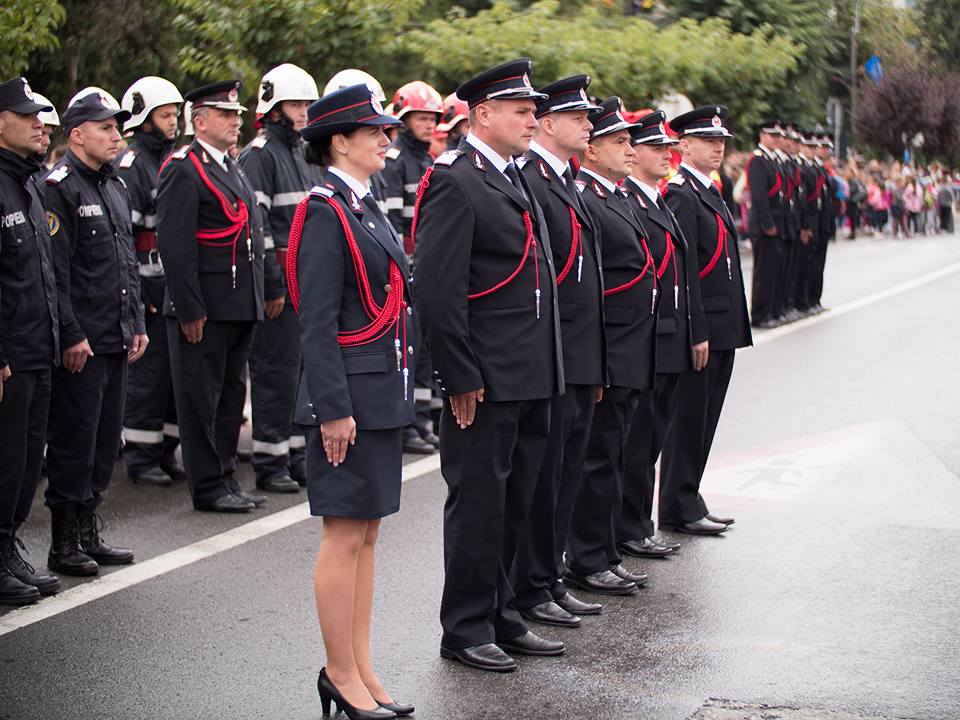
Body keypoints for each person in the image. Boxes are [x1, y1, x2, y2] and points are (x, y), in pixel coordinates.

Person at [414, 58, 565, 673]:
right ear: (482, 115)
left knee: (515, 502)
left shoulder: (512, 175)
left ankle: (503, 614)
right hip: (485, 378)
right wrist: (459, 375)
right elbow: (437, 290)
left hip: (529, 371)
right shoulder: (456, 179)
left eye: (534, 111)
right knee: (478, 506)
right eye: (522, 111)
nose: (533, 120)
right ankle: (465, 626)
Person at [288, 84, 415, 720]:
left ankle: (360, 665)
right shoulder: (325, 211)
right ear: (339, 142)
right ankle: (339, 671)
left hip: (378, 388)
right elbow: (315, 320)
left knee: (367, 533)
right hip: (349, 398)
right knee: (343, 534)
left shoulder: (362, 204)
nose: (387, 141)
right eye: (374, 132)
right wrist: (332, 408)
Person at [511, 75, 605, 628]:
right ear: (547, 124)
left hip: (577, 351)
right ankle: (532, 584)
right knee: (543, 478)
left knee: (566, 473)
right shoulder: (532, 179)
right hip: (554, 351)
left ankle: (549, 577)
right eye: (578, 118)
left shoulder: (563, 179)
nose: (589, 126)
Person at [42, 87, 147, 575]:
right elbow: (56, 273)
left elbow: (127, 262)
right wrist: (69, 333)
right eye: (105, 128)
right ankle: (63, 541)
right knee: (75, 443)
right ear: (77, 134)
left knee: (105, 444)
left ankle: (88, 530)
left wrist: (137, 323)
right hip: (82, 343)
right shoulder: (60, 187)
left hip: (115, 336)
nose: (115, 136)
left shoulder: (114, 185)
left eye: (117, 127)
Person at [156, 80, 266, 513]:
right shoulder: (183, 168)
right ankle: (207, 486)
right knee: (200, 399)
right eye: (225, 114)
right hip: (204, 306)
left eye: (237, 114)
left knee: (230, 398)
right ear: (199, 122)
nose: (235, 121)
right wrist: (189, 308)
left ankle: (226, 477)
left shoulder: (231, 165)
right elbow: (176, 245)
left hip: (237, 302)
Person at [563, 97, 654, 595]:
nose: (630, 149)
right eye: (619, 142)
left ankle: (606, 551)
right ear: (592, 151)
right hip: (610, 345)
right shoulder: (590, 198)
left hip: (628, 345)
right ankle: (587, 556)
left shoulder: (615, 196)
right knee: (597, 457)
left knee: (614, 453)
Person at [659, 104, 751, 535]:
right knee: (688, 420)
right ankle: (677, 505)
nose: (718, 148)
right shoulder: (681, 193)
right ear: (684, 144)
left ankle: (689, 496)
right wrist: (695, 330)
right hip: (703, 327)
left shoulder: (709, 189)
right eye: (709, 141)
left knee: (706, 418)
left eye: (721, 141)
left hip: (722, 324)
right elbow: (685, 270)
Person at [617, 109, 701, 559]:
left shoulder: (655, 200)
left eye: (667, 147)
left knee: (650, 439)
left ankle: (637, 524)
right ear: (633, 155)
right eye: (655, 148)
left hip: (667, 336)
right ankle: (630, 527)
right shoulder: (632, 201)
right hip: (649, 337)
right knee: (637, 442)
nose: (666, 155)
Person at [240, 63, 321, 494]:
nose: (304, 112)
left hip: (306, 281)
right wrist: (272, 285)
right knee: (275, 372)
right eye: (296, 105)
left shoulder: (302, 152)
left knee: (300, 371)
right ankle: (270, 463)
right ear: (273, 110)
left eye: (307, 104)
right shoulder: (260, 155)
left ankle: (295, 455)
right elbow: (259, 227)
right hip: (279, 283)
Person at [0, 77, 62, 604]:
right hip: (10, 354)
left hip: (38, 348)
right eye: (26, 115)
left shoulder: (28, 182)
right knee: (4, 460)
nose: (38, 124)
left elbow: (41, 273)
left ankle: (7, 546)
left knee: (23, 463)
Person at [117, 76, 185, 487]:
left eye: (175, 114)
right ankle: (141, 458)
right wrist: (139, 295)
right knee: (148, 377)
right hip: (148, 292)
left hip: (171, 288)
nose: (173, 121)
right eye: (165, 115)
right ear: (143, 119)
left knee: (173, 378)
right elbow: (125, 239)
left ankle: (165, 451)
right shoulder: (132, 166)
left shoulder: (171, 160)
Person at [376, 79, 444, 454]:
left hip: (426, 270)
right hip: (406, 270)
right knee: (406, 350)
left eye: (432, 118)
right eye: (421, 118)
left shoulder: (427, 160)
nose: (429, 124)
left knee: (423, 350)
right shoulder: (395, 161)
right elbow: (389, 225)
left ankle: (421, 422)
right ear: (403, 120)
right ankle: (407, 425)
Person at [747, 119, 786, 329]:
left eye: (778, 136)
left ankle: (769, 311)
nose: (776, 139)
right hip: (764, 227)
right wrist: (768, 224)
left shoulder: (772, 160)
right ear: (762, 135)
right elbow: (759, 196)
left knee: (773, 272)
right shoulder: (758, 160)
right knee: (763, 273)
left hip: (775, 224)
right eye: (772, 135)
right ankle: (760, 314)